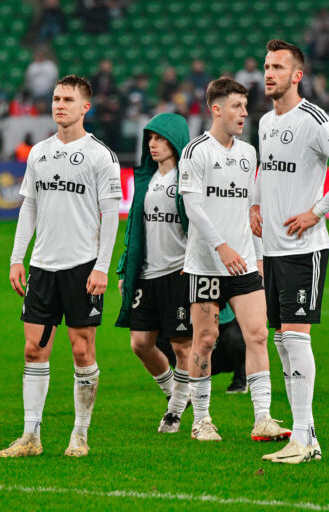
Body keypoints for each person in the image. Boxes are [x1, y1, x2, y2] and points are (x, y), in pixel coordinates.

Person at [252, 40, 329, 463]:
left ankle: (303, 440)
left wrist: (317, 211)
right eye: (266, 66)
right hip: (273, 249)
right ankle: (306, 435)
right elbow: (266, 169)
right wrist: (254, 204)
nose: (269, 74)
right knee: (282, 339)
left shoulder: (313, 119)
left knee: (296, 339)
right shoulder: (265, 122)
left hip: (305, 248)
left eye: (278, 67)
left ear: (296, 75)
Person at [0, 75, 121, 459]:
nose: (59, 105)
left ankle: (80, 434)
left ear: (86, 107)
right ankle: (30, 436)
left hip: (82, 267)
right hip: (43, 268)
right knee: (33, 350)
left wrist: (102, 266)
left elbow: (111, 213)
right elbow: (29, 207)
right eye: (55, 98)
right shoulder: (38, 152)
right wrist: (19, 257)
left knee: (82, 352)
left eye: (68, 99)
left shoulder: (101, 155)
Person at [178, 77, 288, 443]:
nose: (244, 113)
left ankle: (263, 418)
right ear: (216, 109)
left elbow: (247, 211)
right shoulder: (196, 152)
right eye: (237, 106)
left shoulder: (248, 153)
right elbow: (192, 207)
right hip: (206, 263)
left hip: (242, 263)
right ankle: (202, 420)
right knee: (205, 339)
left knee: (257, 335)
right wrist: (221, 246)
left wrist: (256, 258)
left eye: (245, 106)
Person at [115, 113, 192, 433]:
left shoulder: (187, 180)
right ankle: (177, 394)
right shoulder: (145, 180)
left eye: (160, 138)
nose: (153, 144)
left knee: (181, 346)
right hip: (147, 275)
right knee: (140, 343)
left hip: (178, 273)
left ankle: (174, 413)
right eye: (150, 138)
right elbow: (135, 226)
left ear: (175, 142)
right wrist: (124, 270)